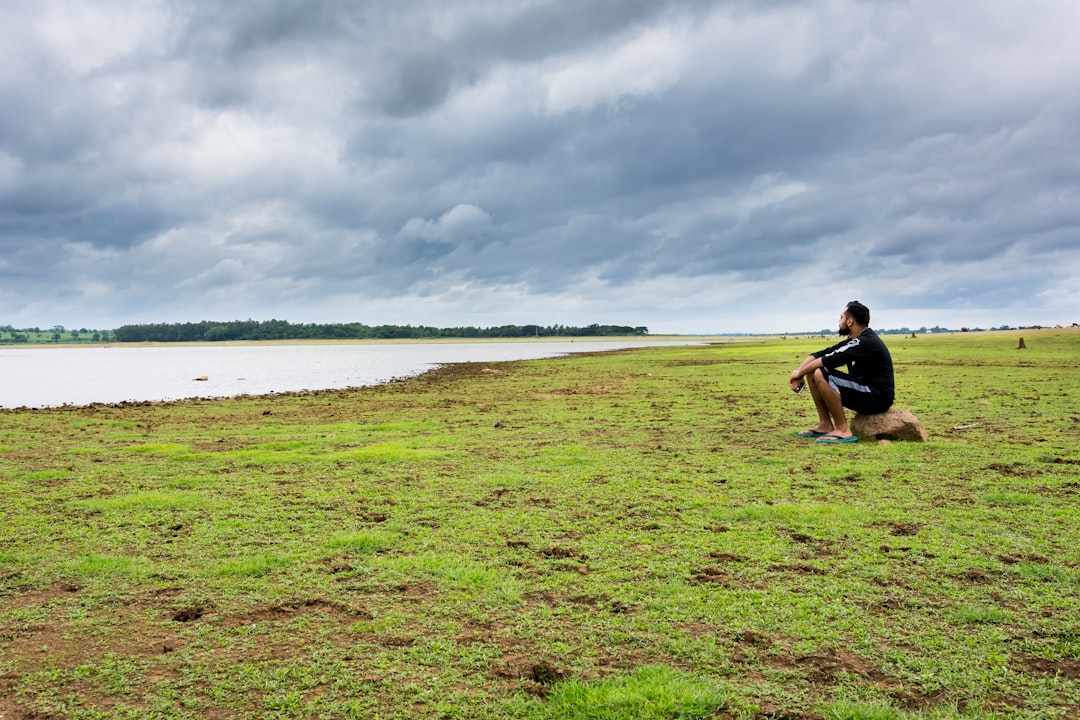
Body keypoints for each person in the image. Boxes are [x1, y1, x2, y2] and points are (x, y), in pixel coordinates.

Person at [789, 301, 894, 444]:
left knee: (820, 372)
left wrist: (798, 373)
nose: (839, 321)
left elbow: (825, 360)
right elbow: (820, 354)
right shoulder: (854, 340)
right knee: (813, 372)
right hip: (865, 390)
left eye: (841, 318)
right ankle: (825, 425)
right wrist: (800, 372)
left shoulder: (865, 341)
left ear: (850, 321)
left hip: (877, 397)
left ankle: (843, 430)